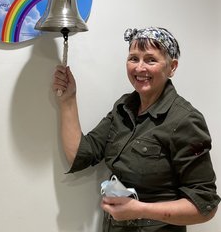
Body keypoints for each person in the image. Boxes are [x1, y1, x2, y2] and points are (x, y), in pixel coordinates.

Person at [52, 27, 220, 232]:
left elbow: (205, 206)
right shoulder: (123, 108)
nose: (140, 68)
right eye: (133, 58)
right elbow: (80, 154)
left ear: (172, 67)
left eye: (151, 60)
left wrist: (140, 210)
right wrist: (68, 99)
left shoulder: (185, 120)